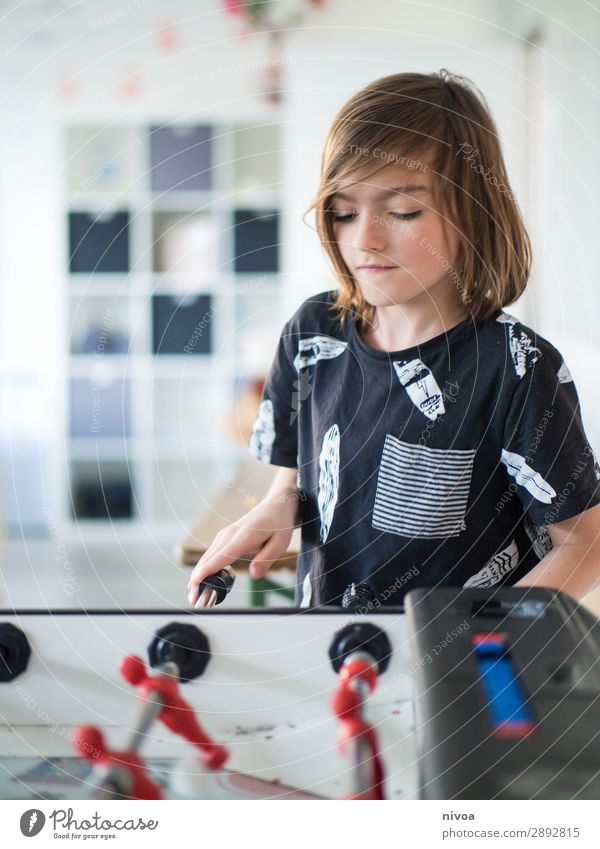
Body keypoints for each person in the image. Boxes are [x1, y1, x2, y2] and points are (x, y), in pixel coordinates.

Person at [187, 69, 600, 609]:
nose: (365, 239)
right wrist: (277, 505)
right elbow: (299, 467)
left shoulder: (516, 366)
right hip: (331, 646)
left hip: (458, 672)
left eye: (402, 211)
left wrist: (484, 640)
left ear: (472, 214)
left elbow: (586, 541)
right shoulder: (312, 331)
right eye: (344, 211)